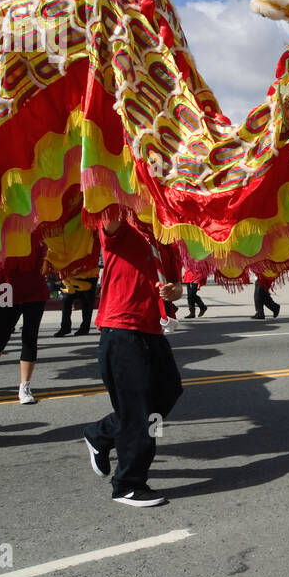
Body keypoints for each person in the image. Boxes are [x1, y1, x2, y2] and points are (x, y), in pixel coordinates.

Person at [81, 215, 184, 507]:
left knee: (169, 392)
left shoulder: (166, 234)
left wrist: (174, 291)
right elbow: (108, 192)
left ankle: (101, 434)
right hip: (121, 329)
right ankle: (127, 484)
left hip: (151, 329)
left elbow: (174, 285)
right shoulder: (121, 225)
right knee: (139, 411)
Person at [0, 244, 49, 403]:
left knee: (30, 337)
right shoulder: (5, 226)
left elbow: (47, 255)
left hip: (35, 289)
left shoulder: (40, 230)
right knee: (0, 337)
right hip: (7, 288)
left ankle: (25, 386)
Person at [54, 265, 98, 335]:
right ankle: (65, 327)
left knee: (87, 303)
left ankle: (84, 328)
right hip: (71, 274)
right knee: (66, 300)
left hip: (89, 274)